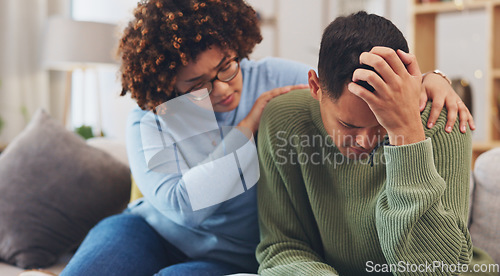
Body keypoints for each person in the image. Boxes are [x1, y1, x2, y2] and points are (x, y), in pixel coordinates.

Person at [61, 1, 474, 275]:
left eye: (226, 67)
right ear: (166, 84)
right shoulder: (151, 117)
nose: (222, 89)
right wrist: (248, 127)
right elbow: (184, 209)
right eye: (196, 85)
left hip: (229, 255)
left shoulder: (274, 79)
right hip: (152, 229)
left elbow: (344, 84)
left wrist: (429, 79)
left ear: (236, 48)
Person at [256, 11, 496, 276]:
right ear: (315, 87)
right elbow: (282, 247)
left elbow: (436, 269)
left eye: (382, 125)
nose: (366, 142)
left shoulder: (443, 121)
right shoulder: (284, 119)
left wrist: (406, 133)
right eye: (349, 125)